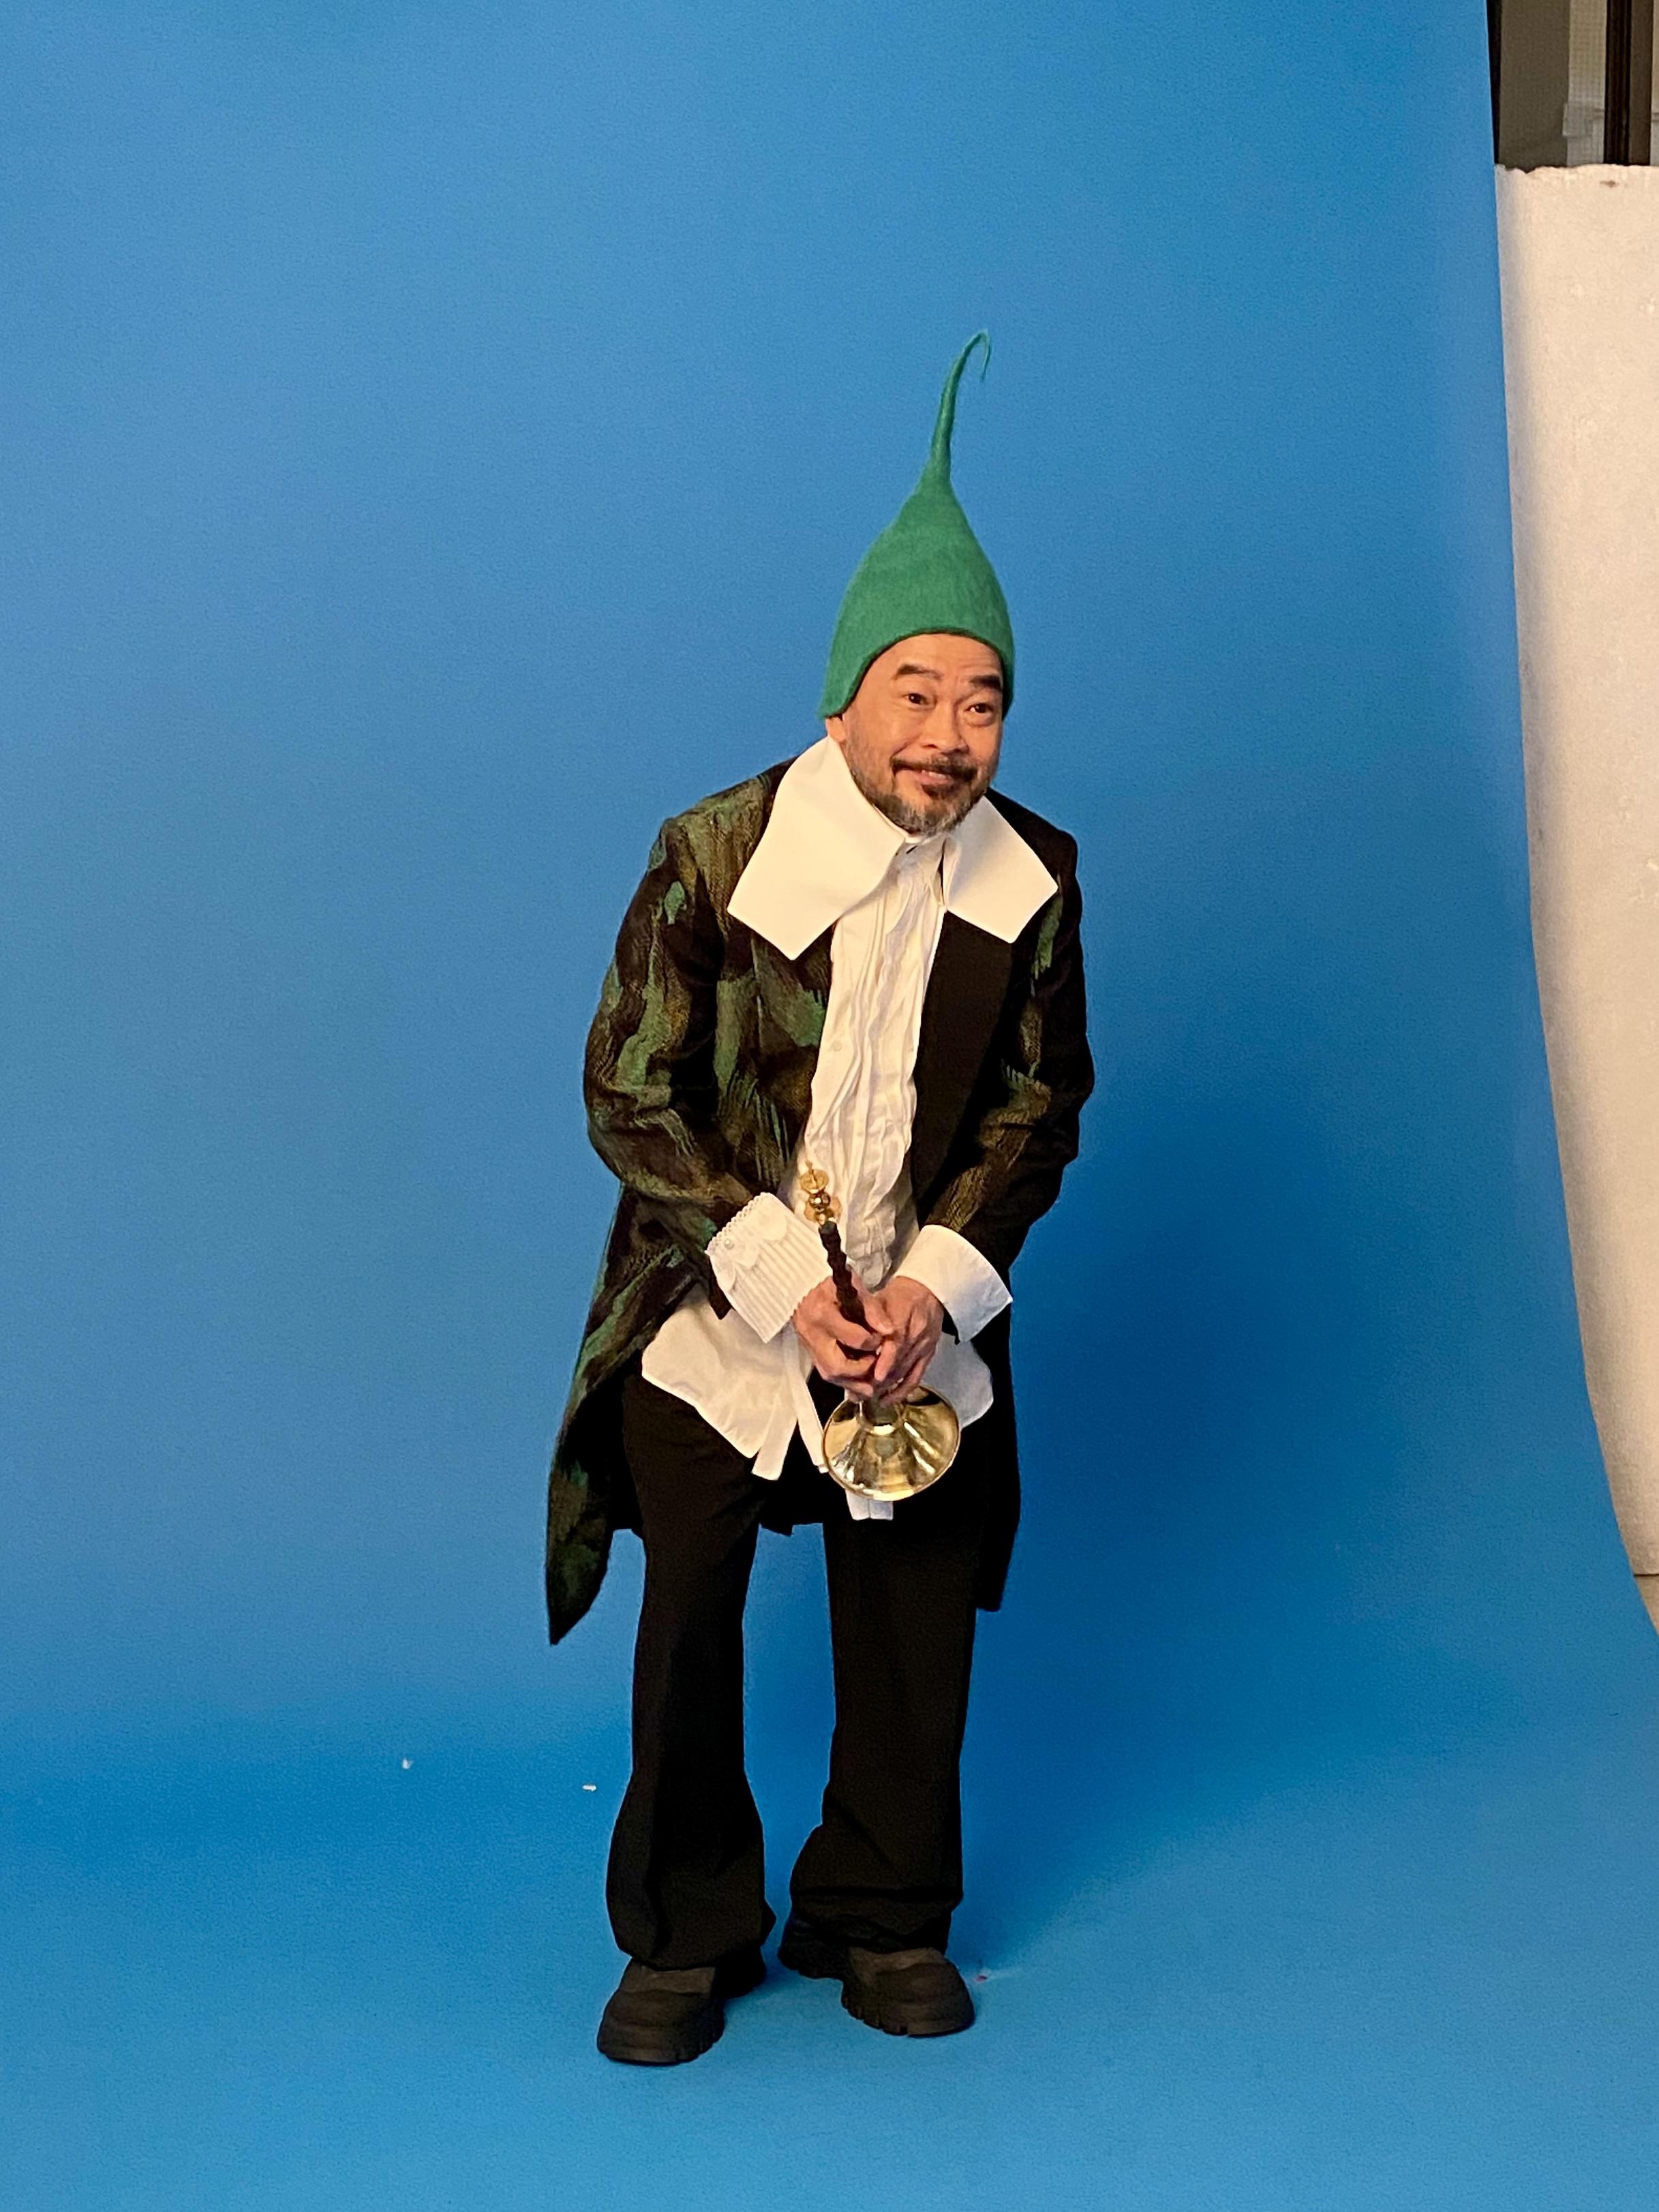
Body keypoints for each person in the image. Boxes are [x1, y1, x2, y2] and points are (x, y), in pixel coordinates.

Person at [543, 334, 1094, 2064]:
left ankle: (879, 1910)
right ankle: (684, 1930)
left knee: (913, 1614)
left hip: (912, 1321)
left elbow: (1039, 1104)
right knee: (690, 1616)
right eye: (914, 693)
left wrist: (932, 1287)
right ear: (845, 695)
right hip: (716, 1306)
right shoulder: (713, 852)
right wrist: (783, 1278)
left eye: (980, 700)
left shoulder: (1035, 877)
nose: (946, 735)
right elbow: (628, 1088)